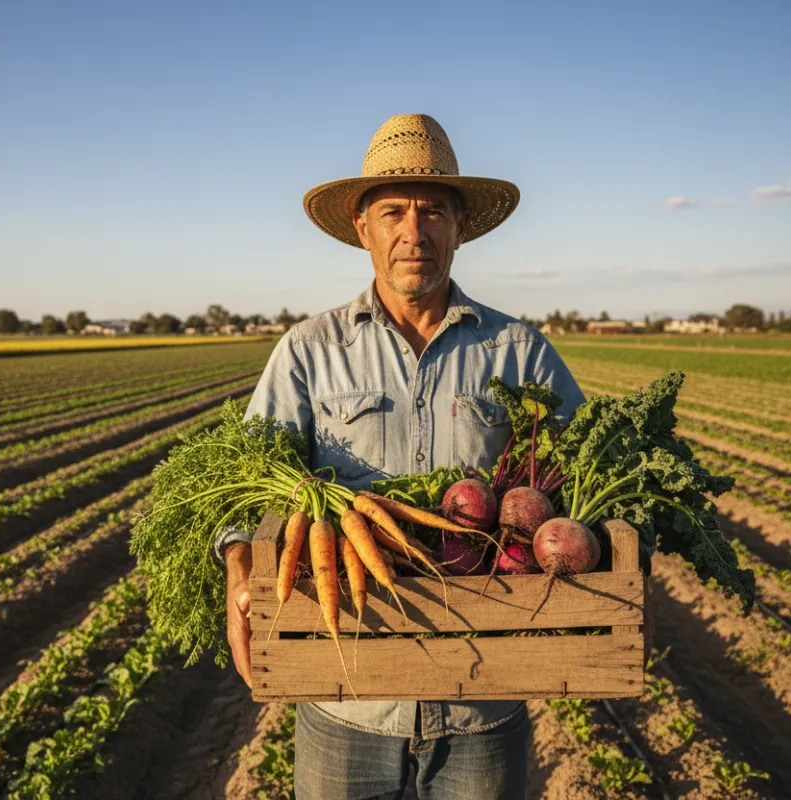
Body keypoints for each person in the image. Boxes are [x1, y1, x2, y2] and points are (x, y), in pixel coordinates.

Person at [215, 114, 586, 800]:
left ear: (460, 226)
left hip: (483, 698)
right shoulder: (309, 350)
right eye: (393, 213)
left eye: (432, 212)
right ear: (363, 228)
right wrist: (241, 567)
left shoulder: (520, 352)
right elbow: (241, 489)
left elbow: (591, 475)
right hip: (344, 699)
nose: (413, 232)